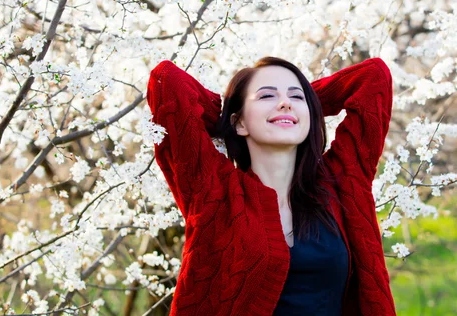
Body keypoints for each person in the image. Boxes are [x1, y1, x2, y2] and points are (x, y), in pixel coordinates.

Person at [147, 56, 396, 315]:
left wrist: (302, 106)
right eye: (266, 96)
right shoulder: (213, 190)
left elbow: (374, 76)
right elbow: (166, 80)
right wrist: (226, 118)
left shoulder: (342, 180)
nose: (285, 102)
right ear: (239, 122)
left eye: (296, 97)